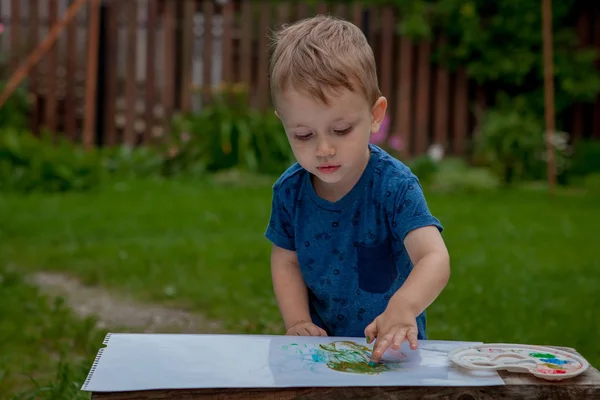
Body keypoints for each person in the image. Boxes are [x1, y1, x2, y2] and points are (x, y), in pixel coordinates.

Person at [264, 15, 451, 363]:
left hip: (392, 349)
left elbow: (434, 257)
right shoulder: (290, 192)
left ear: (375, 115)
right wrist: (298, 321)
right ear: (284, 124)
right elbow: (286, 260)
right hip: (318, 353)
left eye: (341, 129)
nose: (323, 149)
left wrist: (404, 305)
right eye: (303, 135)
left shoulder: (395, 187)